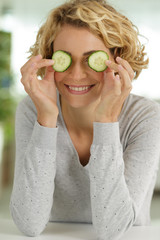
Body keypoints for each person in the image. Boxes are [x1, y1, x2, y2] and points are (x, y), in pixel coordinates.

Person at [10, 0, 160, 239]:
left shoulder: (144, 116)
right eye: (64, 58)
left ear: (118, 59)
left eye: (93, 59)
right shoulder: (33, 109)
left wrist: (107, 121)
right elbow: (29, 223)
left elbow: (112, 229)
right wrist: (46, 119)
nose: (77, 75)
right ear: (49, 59)